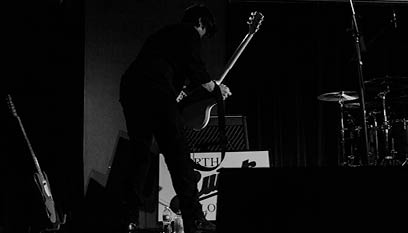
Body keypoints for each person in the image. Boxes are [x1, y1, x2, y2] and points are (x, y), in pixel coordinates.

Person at [118, 4, 231, 233]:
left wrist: (209, 87)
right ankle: (195, 218)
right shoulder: (188, 31)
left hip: (132, 89)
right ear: (200, 22)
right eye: (205, 32)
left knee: (139, 155)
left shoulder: (164, 39)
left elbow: (185, 81)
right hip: (155, 91)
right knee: (179, 156)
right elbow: (196, 67)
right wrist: (215, 88)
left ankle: (127, 219)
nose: (202, 37)